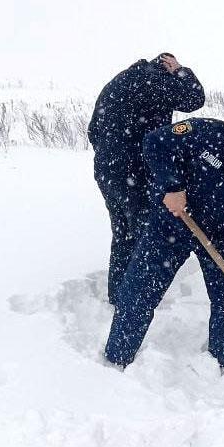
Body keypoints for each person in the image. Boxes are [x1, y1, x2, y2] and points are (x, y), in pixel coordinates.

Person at [104, 108, 224, 372]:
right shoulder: (209, 134)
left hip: (219, 235)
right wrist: (172, 186)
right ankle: (116, 358)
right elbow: (156, 142)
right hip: (173, 221)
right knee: (140, 290)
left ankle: (222, 365)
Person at [88, 54, 205, 304]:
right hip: (131, 173)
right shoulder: (156, 80)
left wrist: (112, 157)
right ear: (166, 66)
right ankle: (135, 299)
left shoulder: (119, 82)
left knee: (122, 233)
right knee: (143, 235)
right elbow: (195, 98)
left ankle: (118, 295)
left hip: (107, 171)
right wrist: (181, 70)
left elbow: (93, 131)